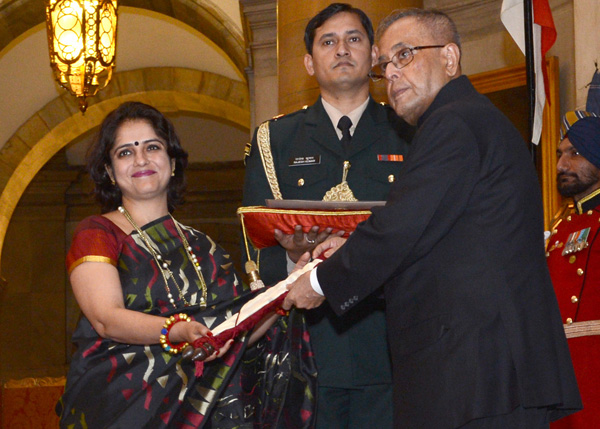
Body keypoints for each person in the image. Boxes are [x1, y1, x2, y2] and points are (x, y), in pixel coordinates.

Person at [284, 8, 582, 428]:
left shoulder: (455, 121)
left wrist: (319, 281)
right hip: (480, 376)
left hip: (481, 374)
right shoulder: (464, 121)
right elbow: (433, 243)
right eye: (384, 66)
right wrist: (349, 250)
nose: (391, 74)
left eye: (404, 55)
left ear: (449, 58)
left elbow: (402, 226)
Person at [56, 101, 315, 428]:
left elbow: (235, 332)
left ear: (173, 163)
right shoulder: (97, 233)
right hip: (122, 407)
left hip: (204, 408)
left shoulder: (204, 247)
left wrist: (286, 290)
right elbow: (106, 319)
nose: (140, 159)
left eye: (152, 147)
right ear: (108, 171)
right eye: (125, 152)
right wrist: (176, 331)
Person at [242, 3, 413, 428]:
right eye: (328, 41)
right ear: (308, 62)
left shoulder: (409, 129)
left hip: (393, 343)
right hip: (306, 345)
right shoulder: (274, 139)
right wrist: (291, 257)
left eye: (354, 39)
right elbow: (254, 242)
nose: (342, 49)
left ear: (374, 54)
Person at [547, 111, 600, 428]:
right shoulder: (558, 230)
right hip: (561, 386)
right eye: (559, 154)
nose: (561, 165)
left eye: (575, 153)